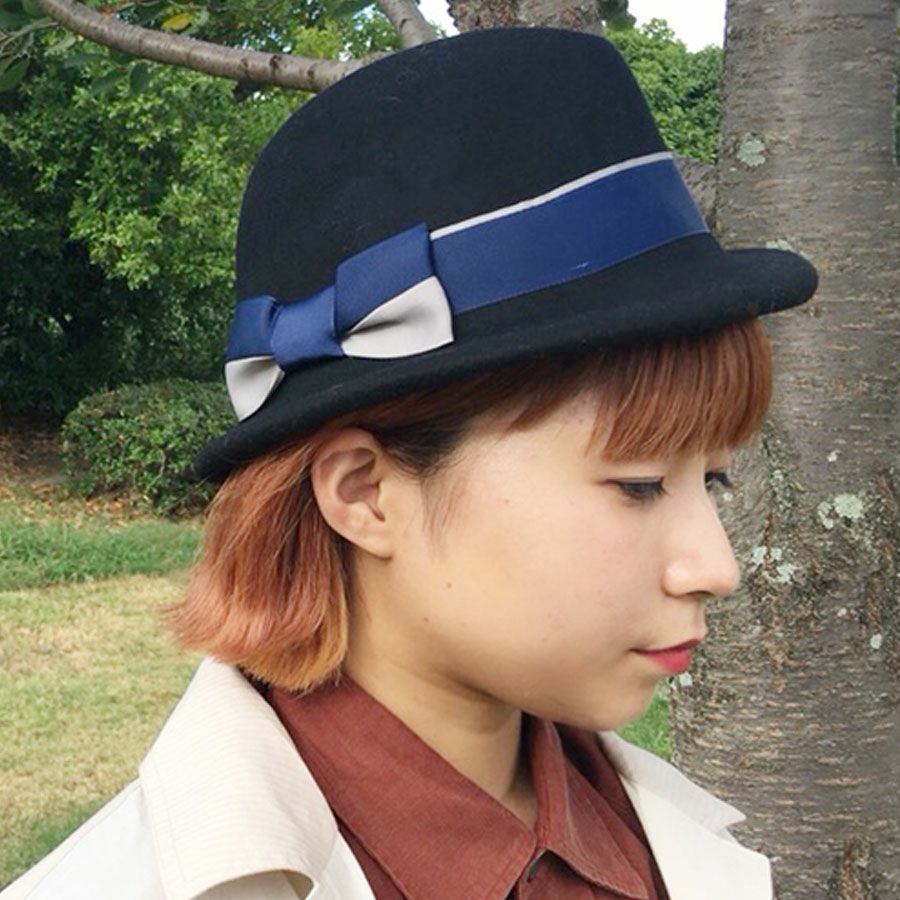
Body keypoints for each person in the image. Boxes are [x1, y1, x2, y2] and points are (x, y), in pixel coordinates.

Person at [2, 25, 817, 900]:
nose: (716, 567)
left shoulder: (661, 845)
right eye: (640, 484)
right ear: (365, 493)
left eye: (712, 479)